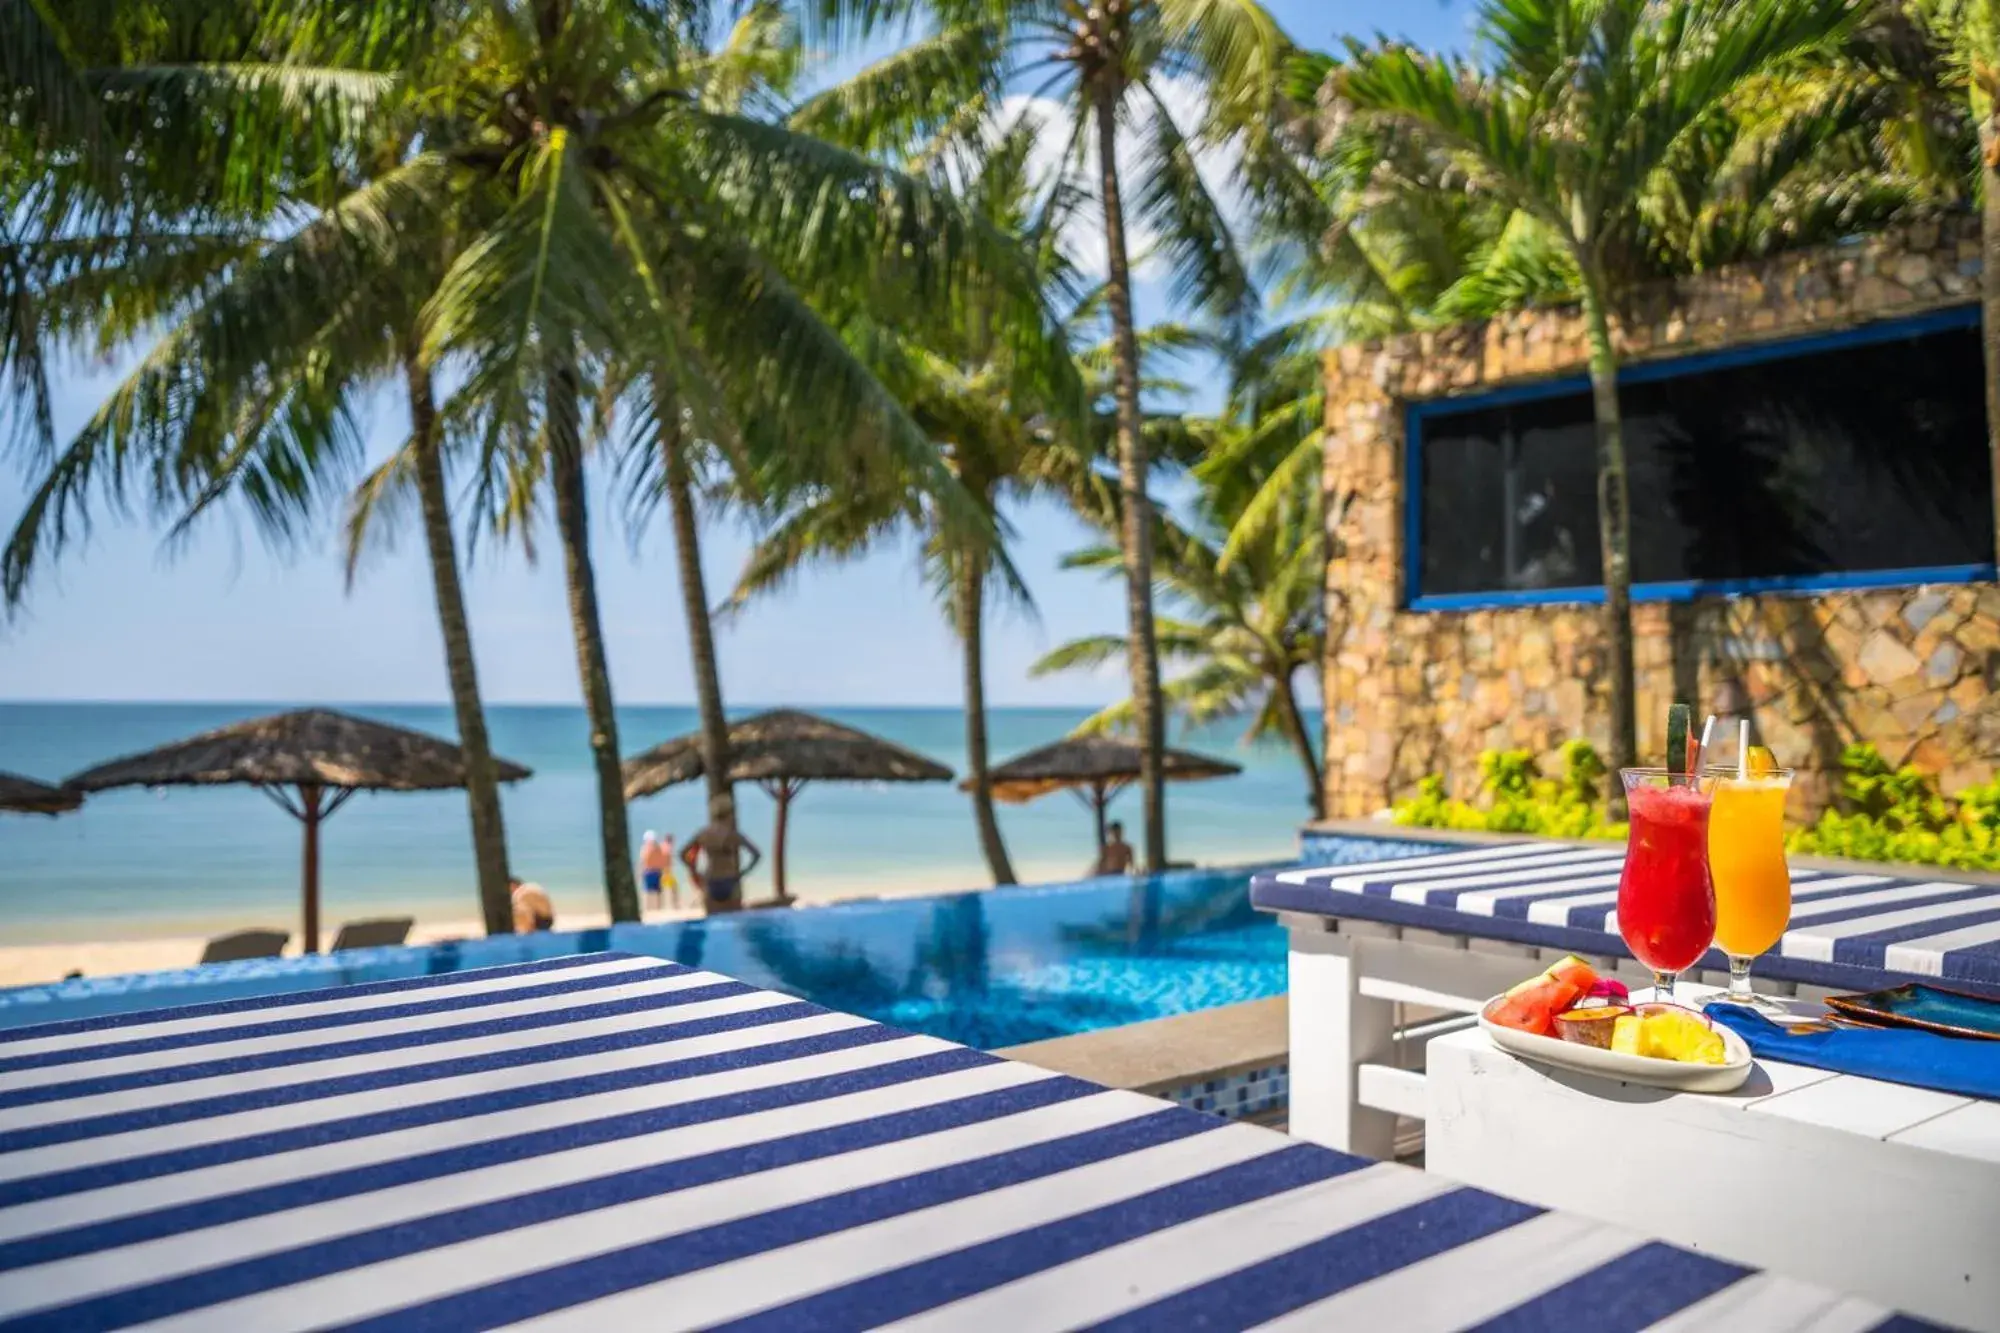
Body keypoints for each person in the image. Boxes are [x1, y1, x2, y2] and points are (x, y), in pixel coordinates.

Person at [681, 792, 762, 914]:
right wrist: (743, 873)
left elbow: (682, 854)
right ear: (729, 813)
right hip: (730, 879)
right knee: (733, 922)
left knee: (713, 924)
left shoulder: (704, 834)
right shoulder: (733, 834)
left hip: (710, 880)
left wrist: (695, 871)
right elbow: (756, 855)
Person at [638, 830, 678, 911]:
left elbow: (643, 862)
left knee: (652, 892)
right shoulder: (659, 848)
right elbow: (664, 861)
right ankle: (657, 908)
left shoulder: (648, 849)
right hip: (658, 872)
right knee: (656, 892)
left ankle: (652, 909)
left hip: (653, 871)